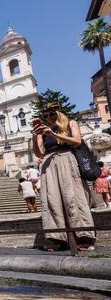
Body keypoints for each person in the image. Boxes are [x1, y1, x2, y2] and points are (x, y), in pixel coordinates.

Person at [32, 102, 96, 252]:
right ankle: (57, 238)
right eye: (46, 115)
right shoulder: (42, 131)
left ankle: (84, 237)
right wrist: (36, 135)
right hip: (48, 163)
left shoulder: (70, 123)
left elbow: (77, 141)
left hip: (67, 159)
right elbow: (39, 153)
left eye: (52, 114)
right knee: (52, 200)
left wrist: (53, 134)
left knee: (74, 197)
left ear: (60, 112)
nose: (49, 117)